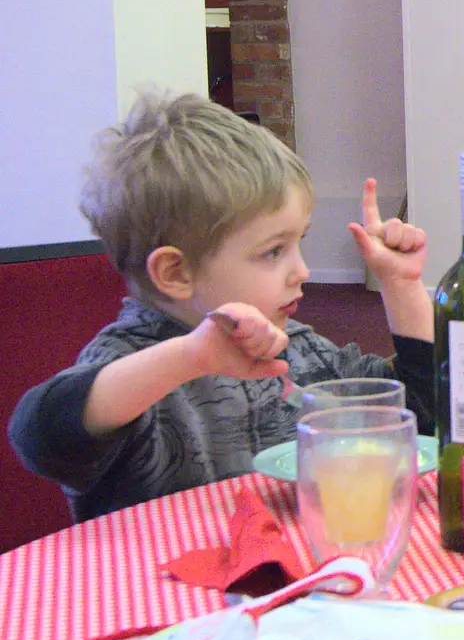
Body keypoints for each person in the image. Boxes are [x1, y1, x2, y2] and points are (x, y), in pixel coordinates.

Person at [8, 93, 435, 521]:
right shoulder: (130, 362)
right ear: (176, 272)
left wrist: (402, 288)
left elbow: (419, 420)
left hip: (297, 575)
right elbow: (39, 435)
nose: (301, 270)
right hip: (162, 585)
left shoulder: (300, 350)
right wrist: (190, 357)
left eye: (298, 242)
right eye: (272, 252)